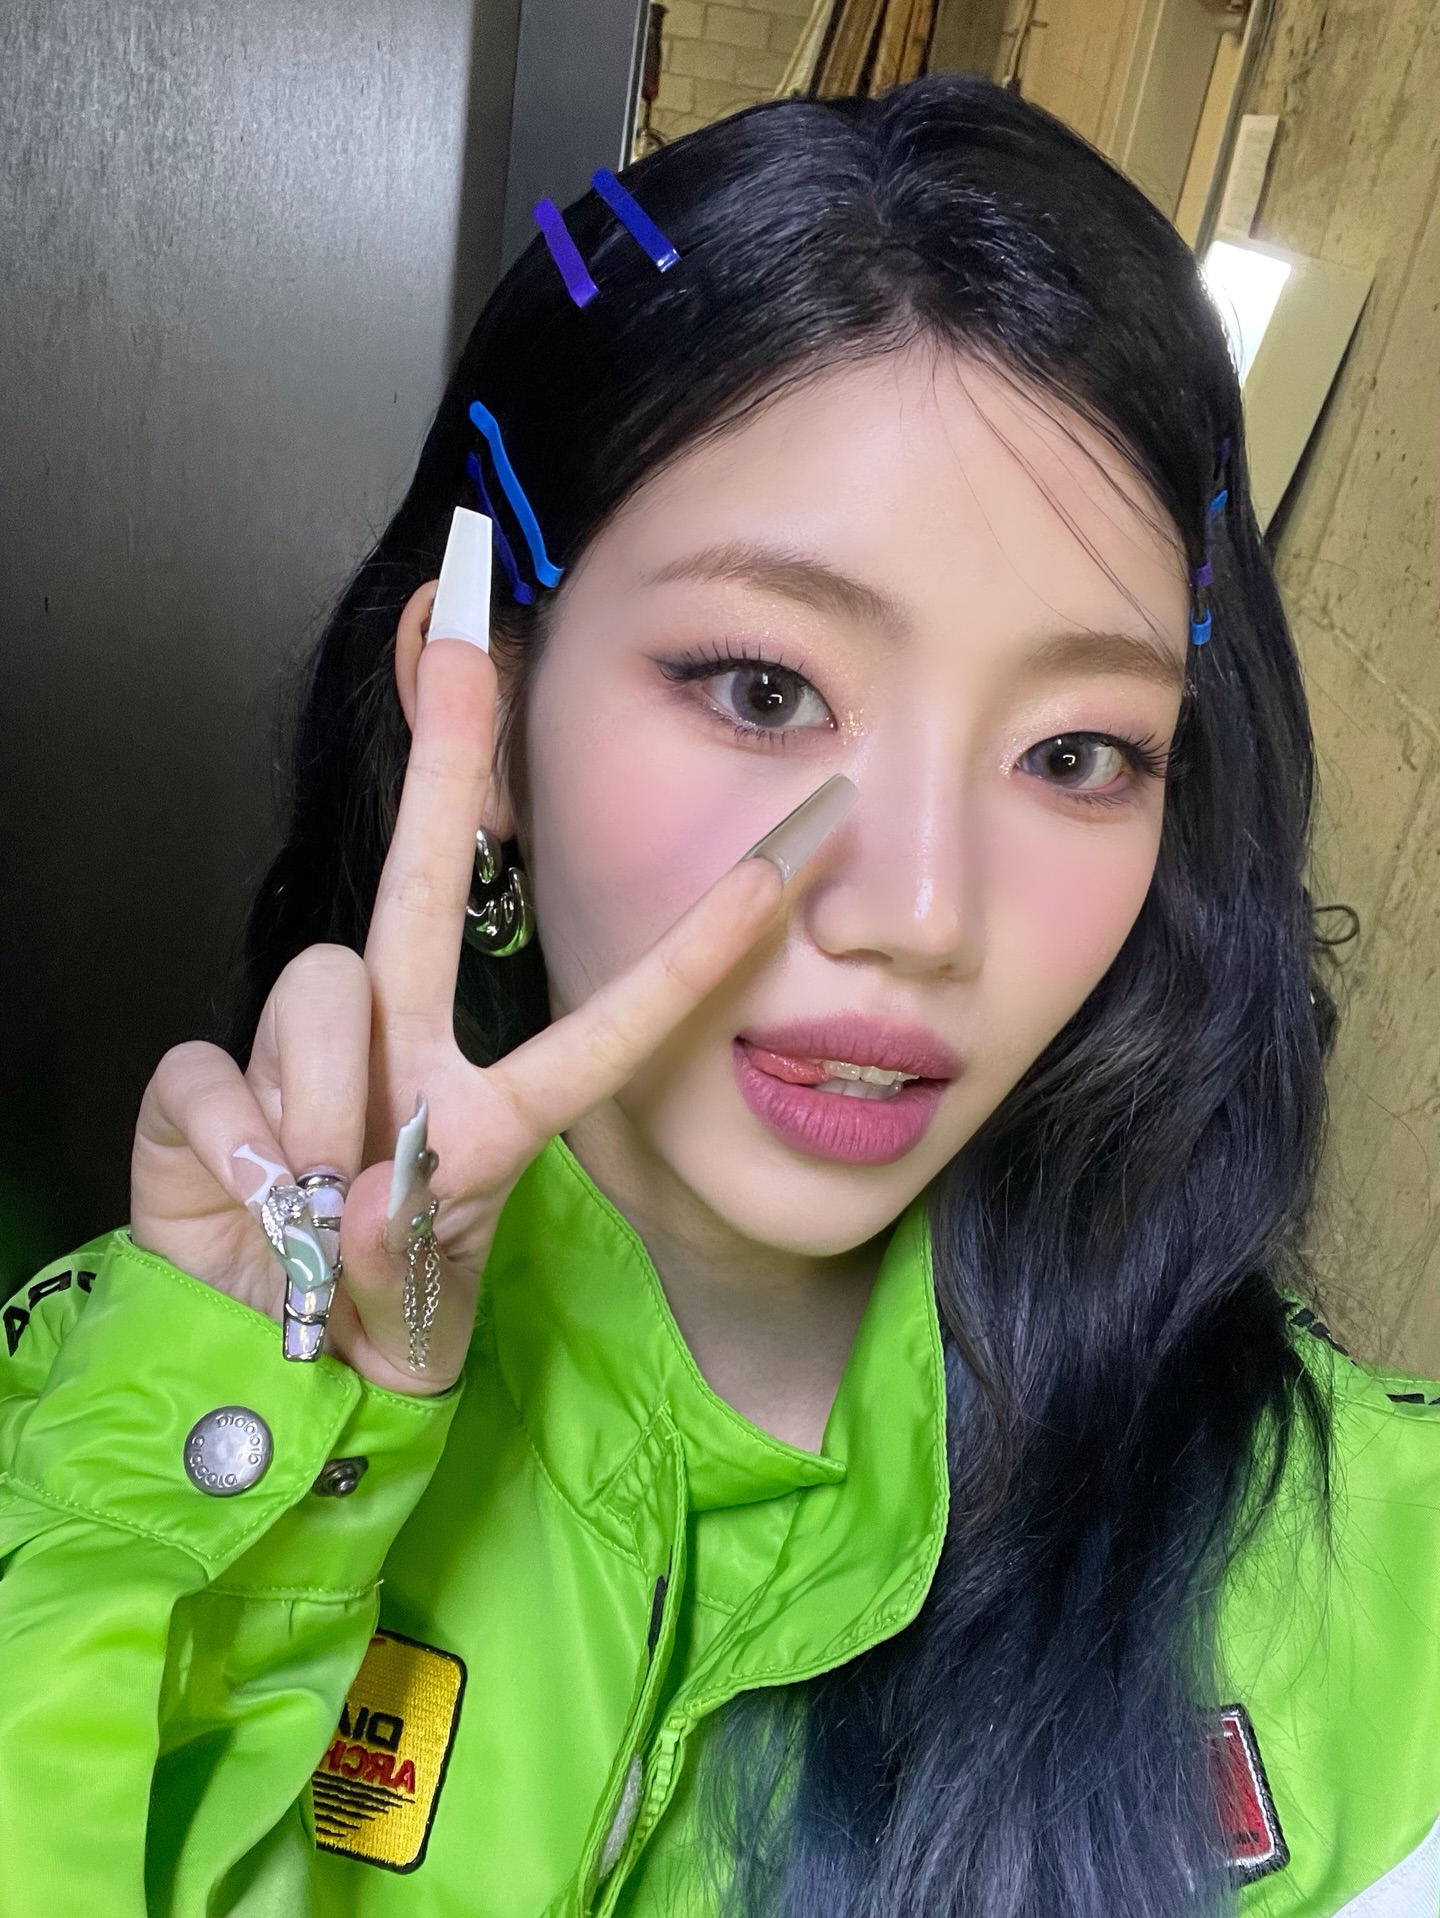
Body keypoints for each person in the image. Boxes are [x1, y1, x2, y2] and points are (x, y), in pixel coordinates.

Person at [2, 74, 1438, 1918]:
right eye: (765, 690)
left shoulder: (1376, 1604)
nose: (923, 914)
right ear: (482, 714)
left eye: (1077, 750)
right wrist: (234, 1462)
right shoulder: (112, 1434)